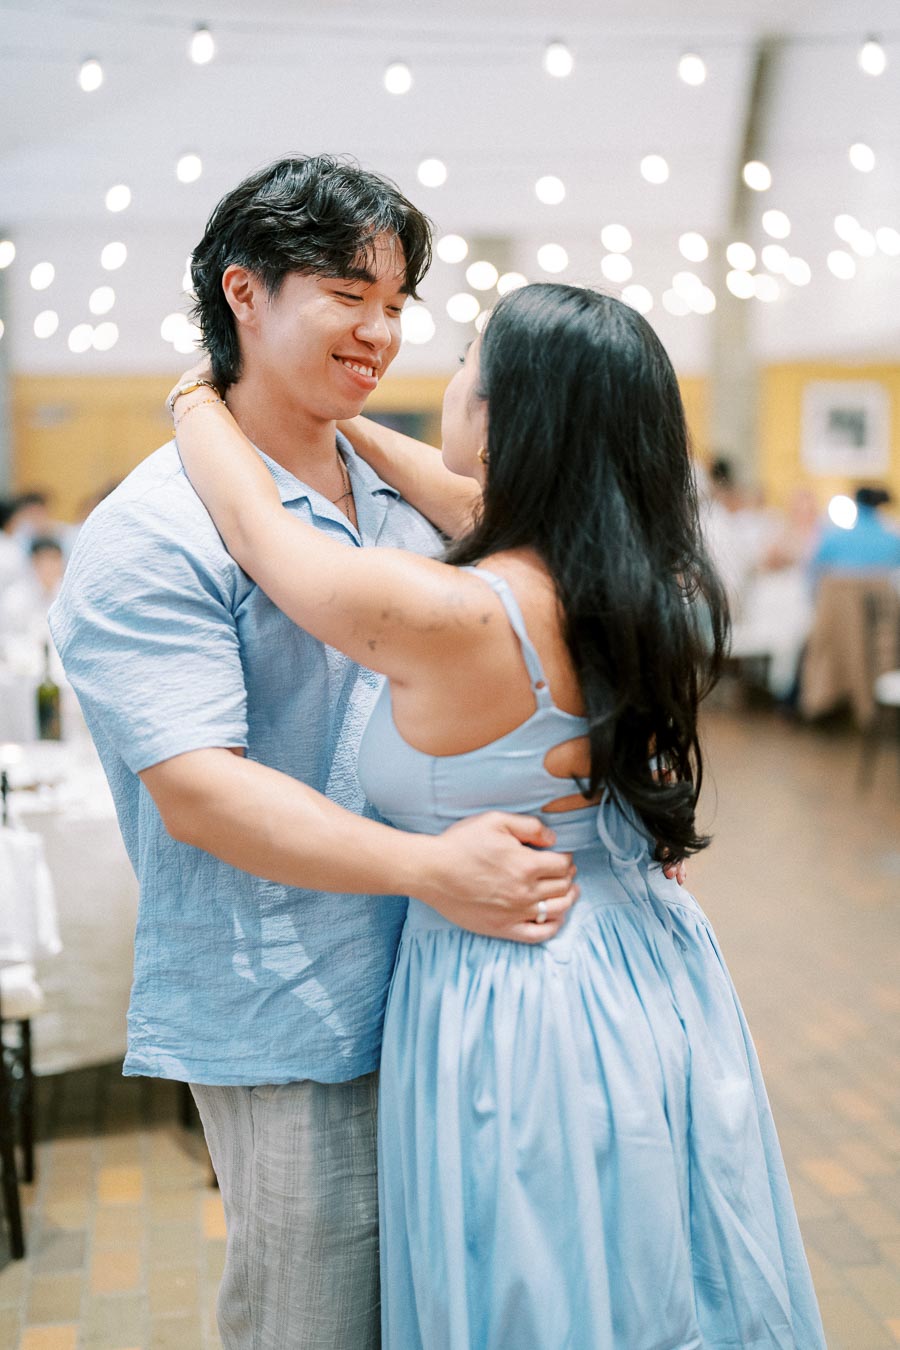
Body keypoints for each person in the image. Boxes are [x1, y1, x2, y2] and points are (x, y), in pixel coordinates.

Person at [173, 282, 826, 1349]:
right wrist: (335, 421)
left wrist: (204, 400)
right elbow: (460, 492)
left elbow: (258, 534)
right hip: (649, 964)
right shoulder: (654, 582)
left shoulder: (451, 610)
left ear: (515, 410)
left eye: (472, 354)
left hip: (517, 987)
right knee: (665, 1264)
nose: (448, 373)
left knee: (538, 1278)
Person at [49, 156, 579, 1350]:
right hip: (289, 998)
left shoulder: (402, 495)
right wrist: (430, 871)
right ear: (246, 292)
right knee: (315, 1318)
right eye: (350, 292)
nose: (382, 331)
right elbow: (200, 792)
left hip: (453, 974)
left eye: (399, 304)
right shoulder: (152, 533)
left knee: (446, 1301)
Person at [812, 485, 900, 579]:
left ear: (856, 503)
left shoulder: (832, 537)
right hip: (881, 593)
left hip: (840, 592)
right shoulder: (893, 542)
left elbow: (814, 569)